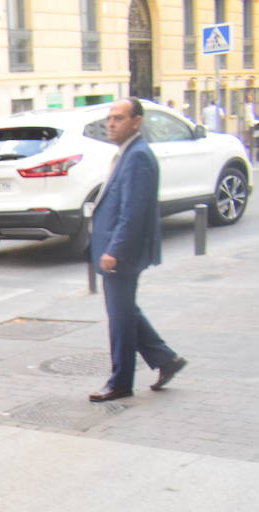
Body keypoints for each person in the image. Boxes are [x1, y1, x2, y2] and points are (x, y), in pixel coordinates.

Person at [88, 98, 186, 403]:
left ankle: (120, 383)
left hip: (122, 252)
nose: (111, 123)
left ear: (137, 122)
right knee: (125, 311)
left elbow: (134, 211)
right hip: (115, 248)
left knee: (119, 319)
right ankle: (166, 359)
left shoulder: (139, 156)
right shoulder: (127, 153)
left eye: (118, 118)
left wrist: (114, 249)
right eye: (110, 118)